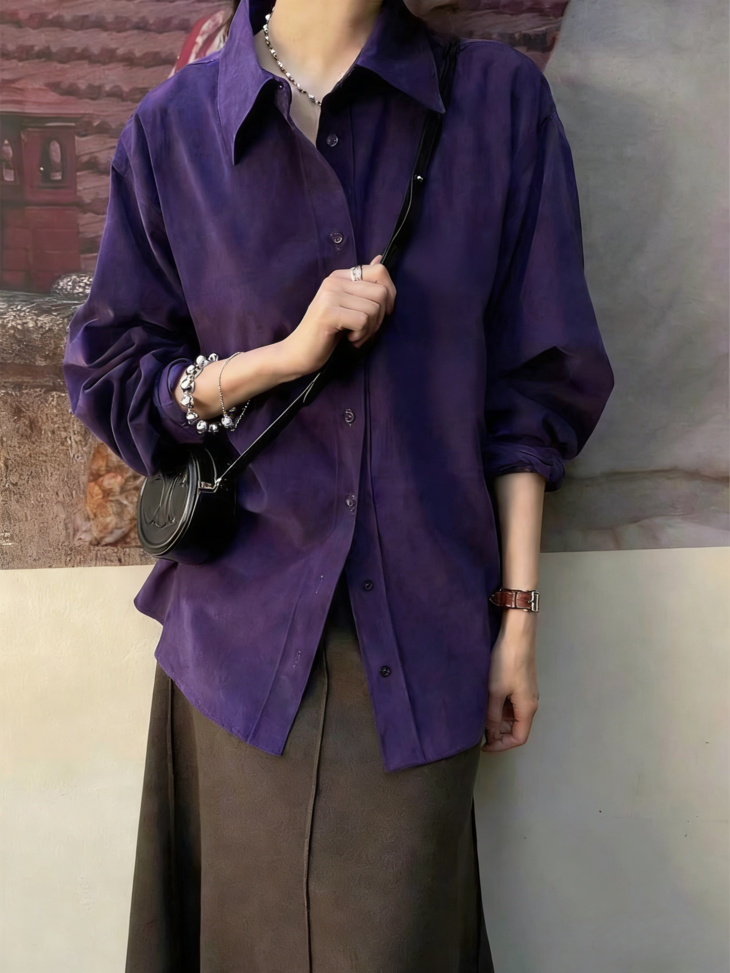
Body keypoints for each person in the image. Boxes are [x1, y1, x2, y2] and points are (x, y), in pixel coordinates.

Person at [62, 0, 614, 969]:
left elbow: (531, 390)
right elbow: (113, 375)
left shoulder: (496, 107)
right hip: (238, 655)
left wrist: (518, 617)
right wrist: (280, 357)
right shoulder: (175, 132)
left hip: (424, 645)